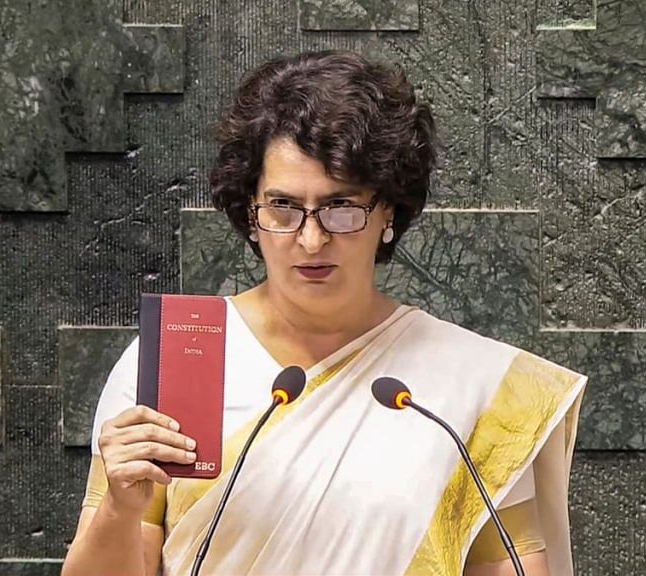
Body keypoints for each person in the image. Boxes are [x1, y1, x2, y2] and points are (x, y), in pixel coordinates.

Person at [62, 49, 587, 576]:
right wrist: (118, 509)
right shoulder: (179, 358)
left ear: (389, 212)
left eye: (340, 207)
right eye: (284, 207)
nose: (311, 240)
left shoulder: (476, 387)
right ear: (250, 213)